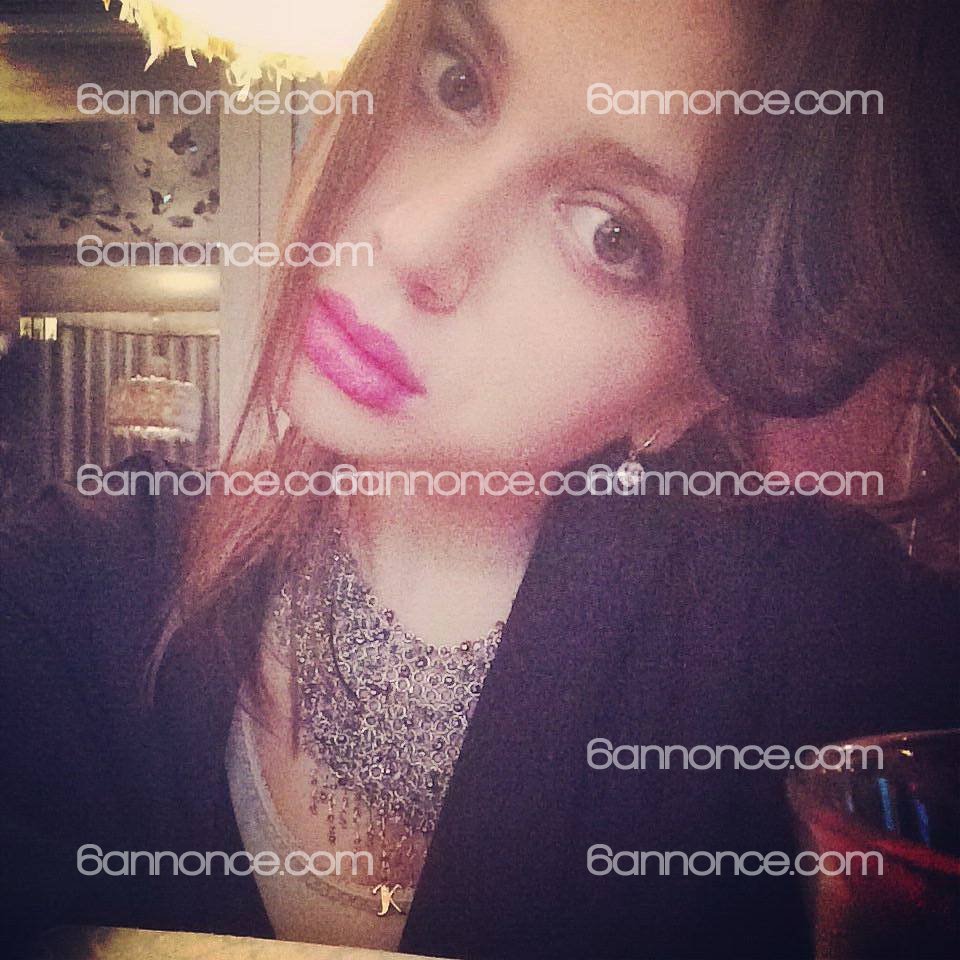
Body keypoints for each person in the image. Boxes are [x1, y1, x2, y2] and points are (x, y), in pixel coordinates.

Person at [2, 2, 958, 958]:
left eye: (611, 234)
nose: (415, 239)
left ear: (695, 390)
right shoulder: (74, 585)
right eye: (455, 83)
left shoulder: (834, 662)